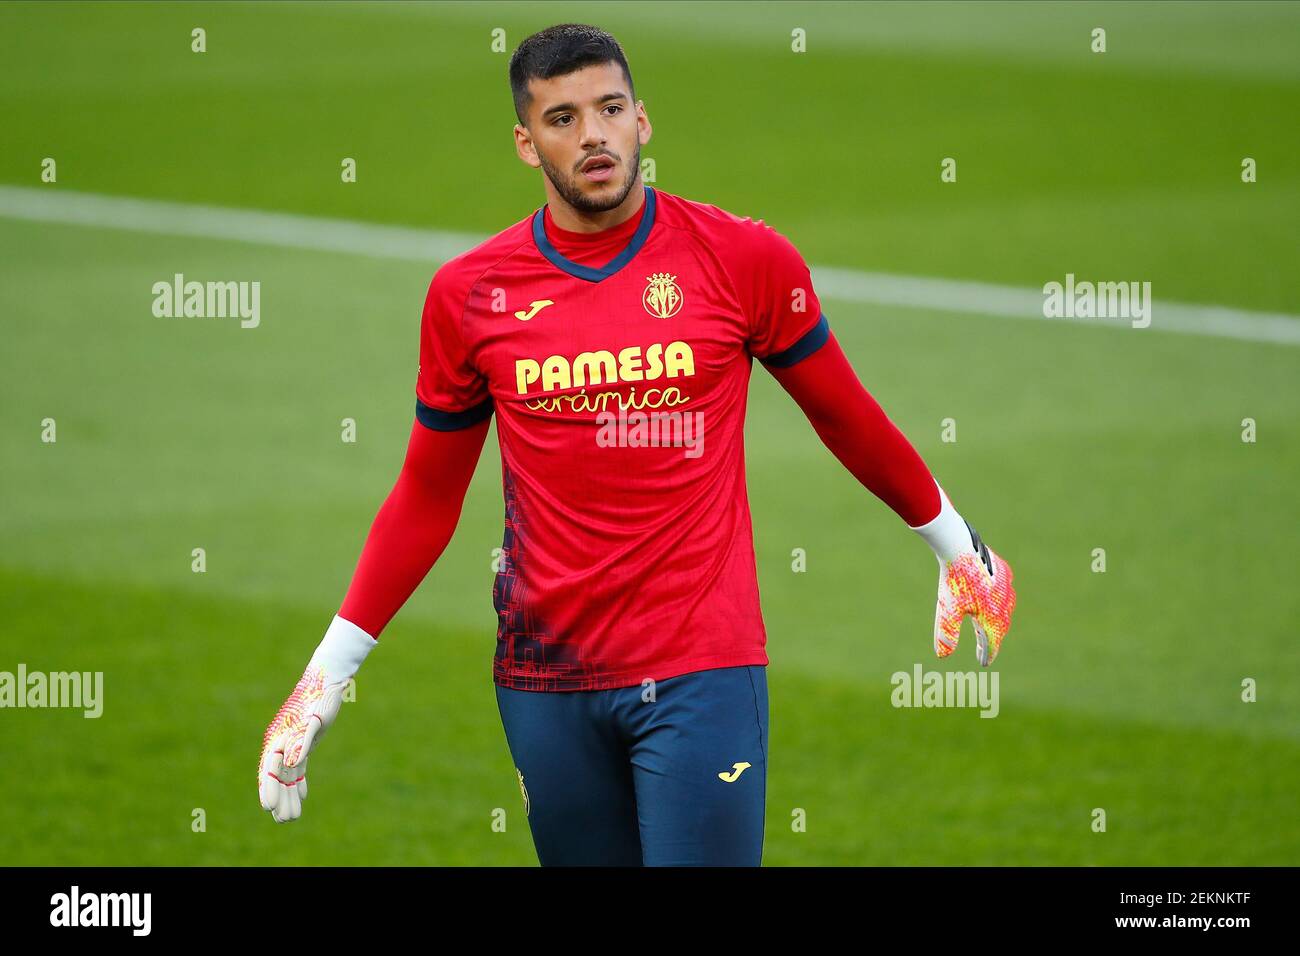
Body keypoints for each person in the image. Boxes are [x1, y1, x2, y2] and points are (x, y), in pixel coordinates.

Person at [258, 23, 1017, 866]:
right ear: (526, 142)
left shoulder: (742, 258)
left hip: (703, 668)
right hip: (545, 678)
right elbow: (427, 496)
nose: (592, 135)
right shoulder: (471, 296)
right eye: (563, 118)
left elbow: (845, 415)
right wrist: (326, 675)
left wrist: (959, 548)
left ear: (642, 121)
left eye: (610, 109)